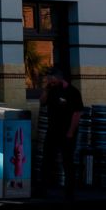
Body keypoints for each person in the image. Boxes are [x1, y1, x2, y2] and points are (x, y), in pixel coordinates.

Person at [38, 68, 84, 201]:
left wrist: (70, 132)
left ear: (58, 78)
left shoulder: (73, 92)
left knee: (67, 162)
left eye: (51, 80)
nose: (49, 82)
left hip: (67, 133)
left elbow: (77, 114)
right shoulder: (51, 90)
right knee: (47, 160)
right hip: (52, 131)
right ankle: (43, 190)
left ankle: (69, 192)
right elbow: (42, 102)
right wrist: (46, 89)